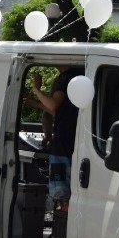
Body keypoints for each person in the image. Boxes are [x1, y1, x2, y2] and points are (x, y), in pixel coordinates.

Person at [29, 66, 83, 203]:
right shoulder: (83, 75)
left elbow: (53, 106)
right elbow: (57, 113)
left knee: (61, 195)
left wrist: (36, 89)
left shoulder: (64, 79)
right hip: (78, 144)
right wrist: (37, 104)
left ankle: (61, 218)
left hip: (62, 147)